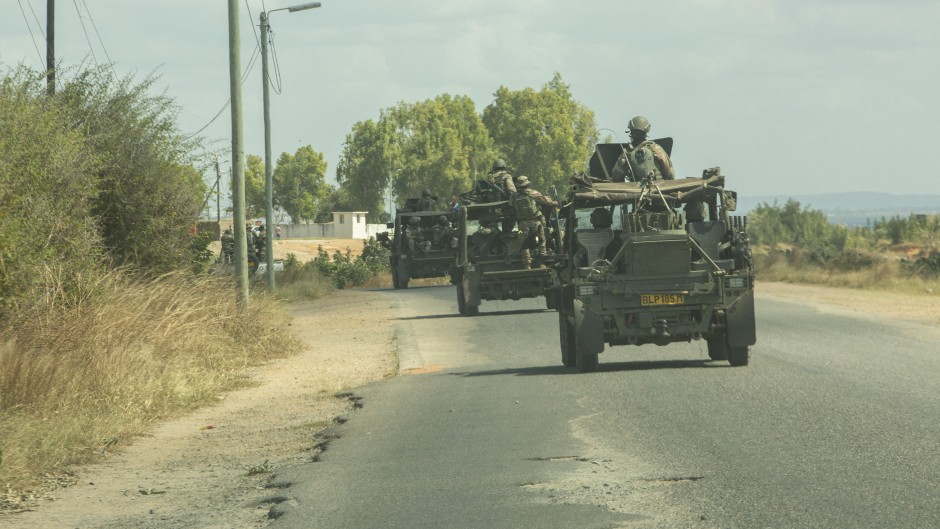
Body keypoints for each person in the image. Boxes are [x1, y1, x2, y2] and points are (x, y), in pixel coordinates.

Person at [512, 176, 558, 269]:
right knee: (541, 241)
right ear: (527, 184)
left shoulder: (514, 196)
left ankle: (527, 265)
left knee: (523, 244)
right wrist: (555, 202)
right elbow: (547, 202)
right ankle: (541, 263)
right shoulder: (533, 193)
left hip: (522, 226)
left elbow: (510, 205)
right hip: (536, 223)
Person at [611, 116, 676, 182]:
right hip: (658, 187)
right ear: (646, 132)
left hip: (635, 189)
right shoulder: (656, 149)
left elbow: (616, 176)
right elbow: (670, 174)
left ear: (631, 132)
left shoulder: (627, 153)